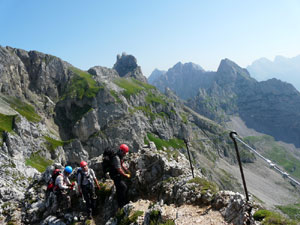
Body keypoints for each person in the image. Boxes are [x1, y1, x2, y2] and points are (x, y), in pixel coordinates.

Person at [107, 144, 131, 208]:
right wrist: (125, 175)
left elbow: (122, 164)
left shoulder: (120, 156)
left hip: (116, 174)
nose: (125, 154)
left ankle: (121, 202)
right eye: (125, 153)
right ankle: (122, 204)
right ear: (122, 151)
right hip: (114, 175)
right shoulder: (116, 158)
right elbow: (119, 169)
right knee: (123, 187)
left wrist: (127, 170)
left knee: (119, 188)